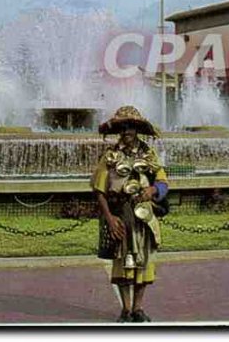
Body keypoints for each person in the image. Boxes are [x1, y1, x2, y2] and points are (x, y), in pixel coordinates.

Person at [91, 105, 169, 323]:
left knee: (143, 261)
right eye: (123, 128)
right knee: (123, 262)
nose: (127, 131)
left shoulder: (149, 155)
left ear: (137, 130)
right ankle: (126, 309)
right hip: (120, 215)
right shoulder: (110, 156)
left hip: (145, 216)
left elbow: (163, 182)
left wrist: (152, 190)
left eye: (131, 127)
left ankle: (138, 308)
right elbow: (99, 191)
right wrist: (109, 218)